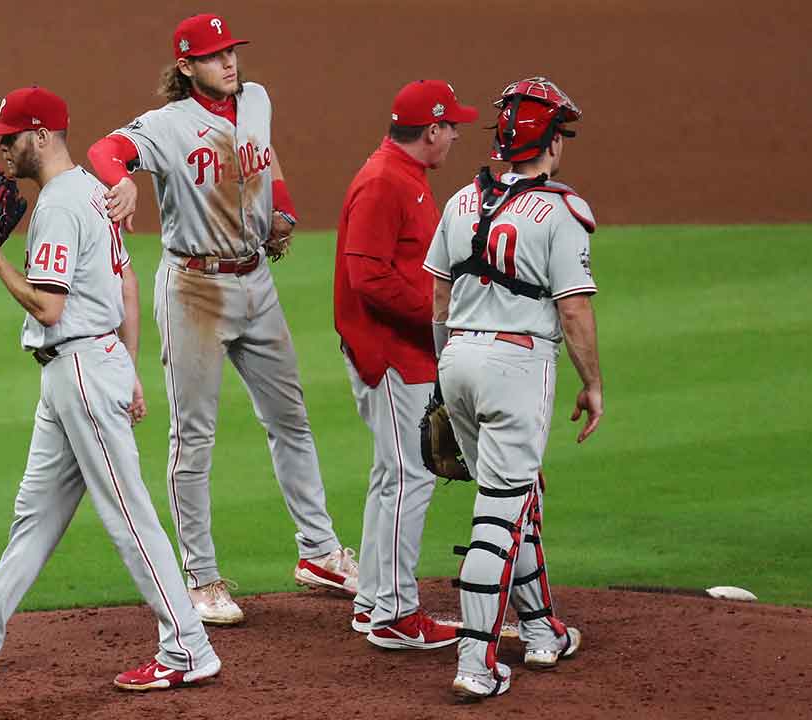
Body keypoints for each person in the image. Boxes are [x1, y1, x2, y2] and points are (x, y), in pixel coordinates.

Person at [0, 86, 221, 691]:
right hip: (87, 368)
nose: (3, 150)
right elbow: (124, 282)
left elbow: (48, 307)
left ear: (41, 136)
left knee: (129, 514)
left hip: (78, 368)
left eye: (11, 137)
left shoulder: (58, 207)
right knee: (36, 516)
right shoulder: (98, 194)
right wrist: (128, 370)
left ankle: (187, 647)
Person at [85, 13, 356, 626]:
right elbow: (107, 150)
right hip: (195, 290)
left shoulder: (256, 99)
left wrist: (281, 210)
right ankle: (200, 578)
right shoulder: (166, 125)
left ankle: (319, 552)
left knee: (292, 420)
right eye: (213, 56)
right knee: (194, 437)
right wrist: (120, 183)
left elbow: (268, 159)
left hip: (256, 280)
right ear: (186, 67)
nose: (229, 63)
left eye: (231, 51)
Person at [423, 77, 600, 700]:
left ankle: (540, 629)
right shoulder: (560, 210)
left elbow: (439, 297)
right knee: (499, 512)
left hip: (459, 359)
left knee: (516, 497)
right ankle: (476, 662)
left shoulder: (460, 202)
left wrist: (445, 381)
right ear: (549, 141)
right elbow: (574, 310)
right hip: (517, 366)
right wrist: (593, 384)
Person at [334, 80, 477, 649]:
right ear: (432, 130)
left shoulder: (406, 176)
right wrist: (438, 317)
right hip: (391, 354)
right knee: (410, 473)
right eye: (452, 127)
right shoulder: (384, 181)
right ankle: (395, 612)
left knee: (392, 473)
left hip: (406, 350)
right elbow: (366, 279)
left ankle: (374, 599)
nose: (458, 135)